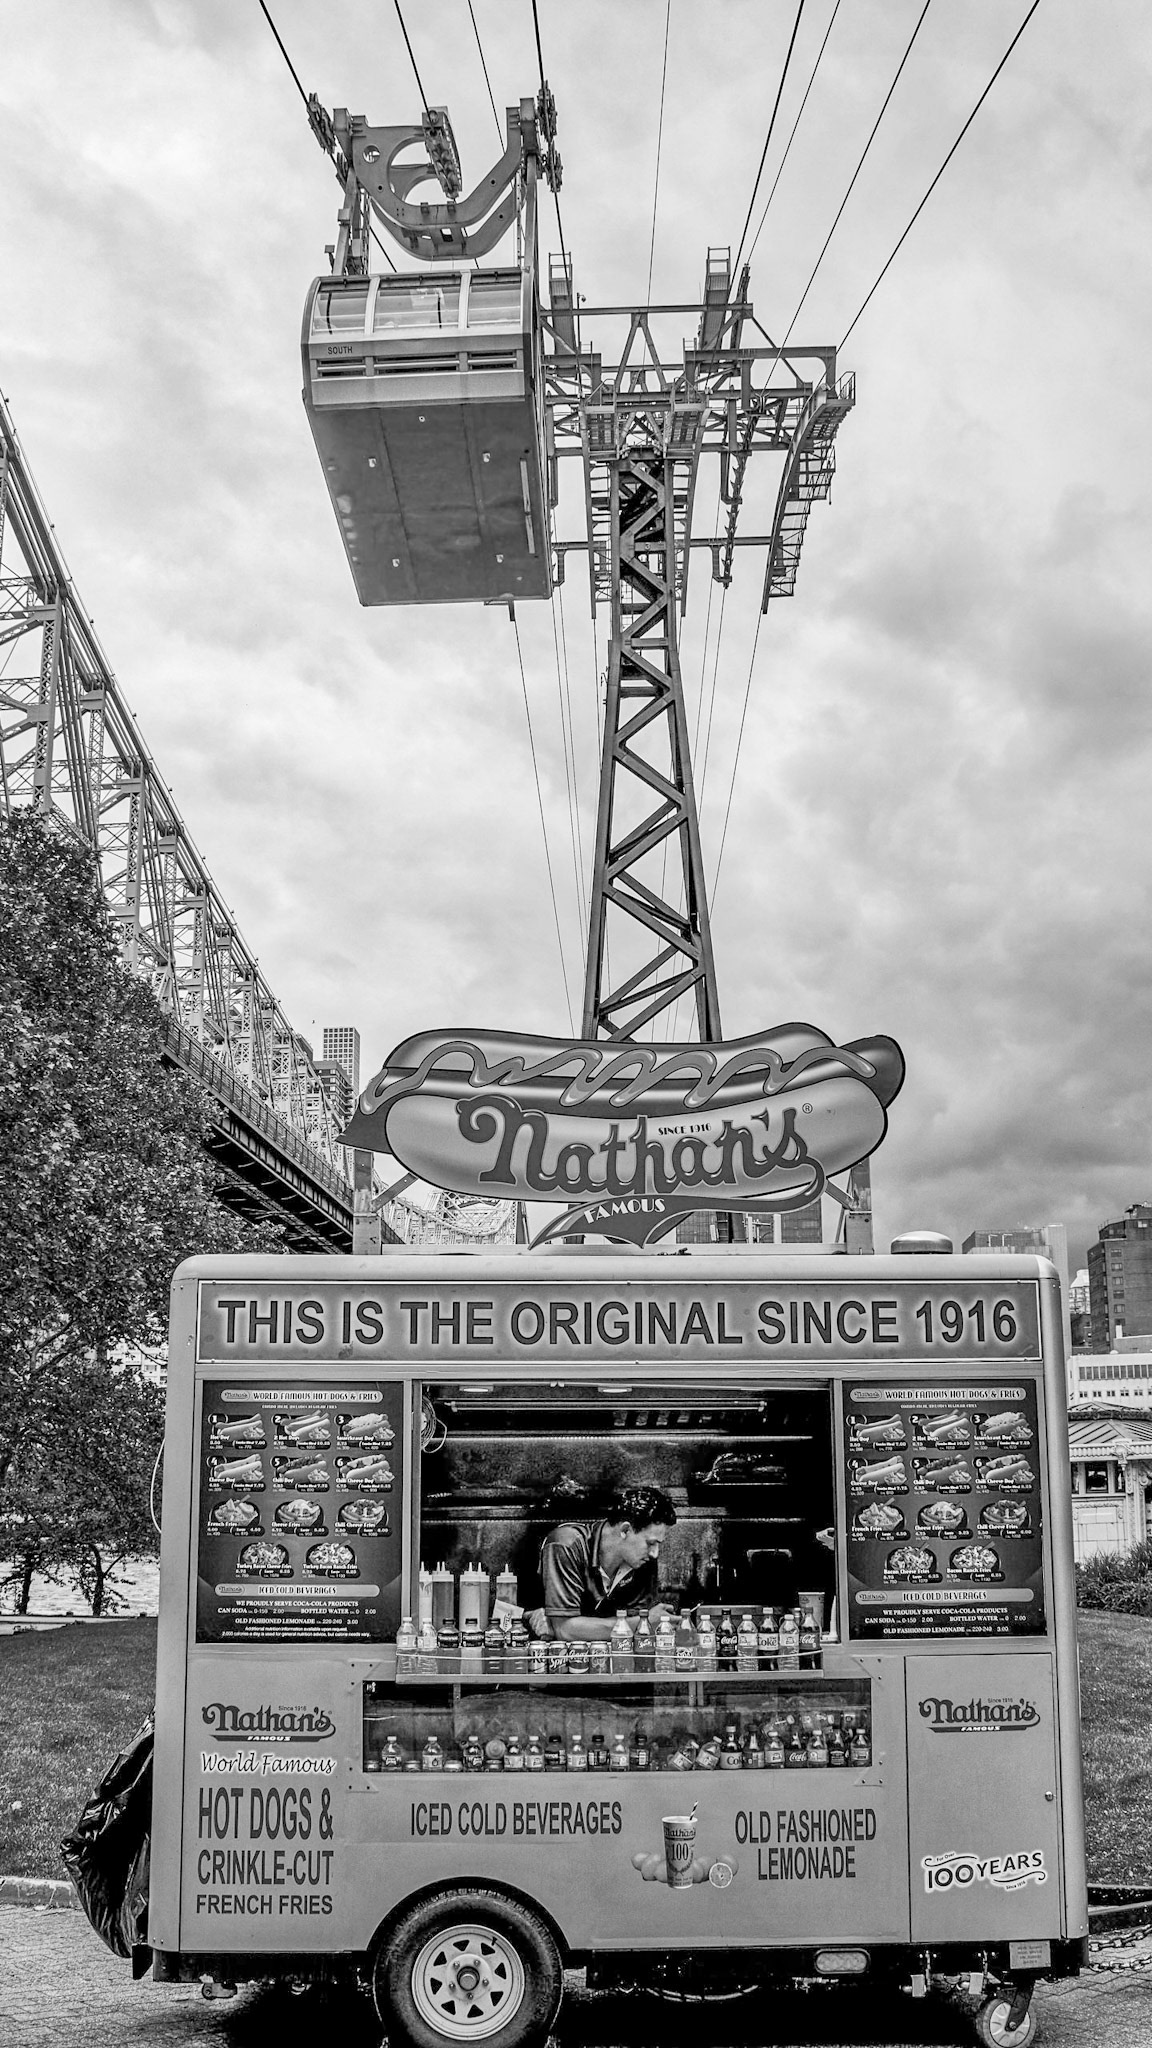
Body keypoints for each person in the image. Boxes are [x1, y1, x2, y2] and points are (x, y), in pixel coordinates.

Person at [536, 1484, 677, 1641]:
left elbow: (637, 1628)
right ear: (625, 1530)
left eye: (658, 1544)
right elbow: (565, 1630)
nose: (654, 1553)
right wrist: (643, 1622)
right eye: (650, 1543)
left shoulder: (642, 1560)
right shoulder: (566, 1544)